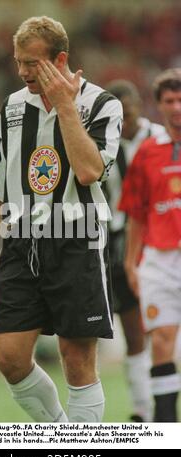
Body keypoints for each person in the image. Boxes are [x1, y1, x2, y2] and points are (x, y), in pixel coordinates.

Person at [0, 16, 122, 423]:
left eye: (32, 63)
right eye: (18, 62)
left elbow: (89, 171)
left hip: (77, 240)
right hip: (21, 242)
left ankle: (75, 450)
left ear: (60, 58)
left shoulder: (103, 105)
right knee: (10, 358)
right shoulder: (13, 107)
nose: (22, 72)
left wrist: (66, 105)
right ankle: (59, 433)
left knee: (76, 358)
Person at [119, 68, 181, 421]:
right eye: (169, 100)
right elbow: (136, 214)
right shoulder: (146, 154)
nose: (176, 107)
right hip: (159, 260)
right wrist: (131, 263)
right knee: (161, 341)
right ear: (158, 106)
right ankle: (166, 429)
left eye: (180, 99)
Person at [104, 80, 164, 422]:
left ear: (140, 108)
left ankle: (161, 404)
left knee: (163, 326)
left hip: (159, 240)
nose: (125, 122)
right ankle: (143, 409)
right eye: (119, 117)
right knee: (132, 329)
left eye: (130, 114)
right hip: (117, 243)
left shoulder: (160, 138)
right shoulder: (104, 145)